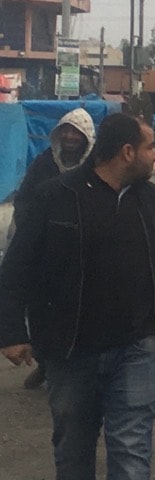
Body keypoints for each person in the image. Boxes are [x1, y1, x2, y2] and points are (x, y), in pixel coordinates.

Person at [0, 114, 155, 480]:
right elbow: (16, 268)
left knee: (131, 447)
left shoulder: (151, 201)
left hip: (139, 348)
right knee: (73, 447)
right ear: (127, 152)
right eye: (151, 147)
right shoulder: (54, 197)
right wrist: (11, 331)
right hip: (70, 349)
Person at [8, 108, 98, 391]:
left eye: (76, 132)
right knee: (40, 308)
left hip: (83, 251)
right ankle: (45, 363)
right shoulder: (45, 163)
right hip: (43, 250)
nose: (70, 137)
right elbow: (24, 199)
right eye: (66, 131)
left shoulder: (95, 167)